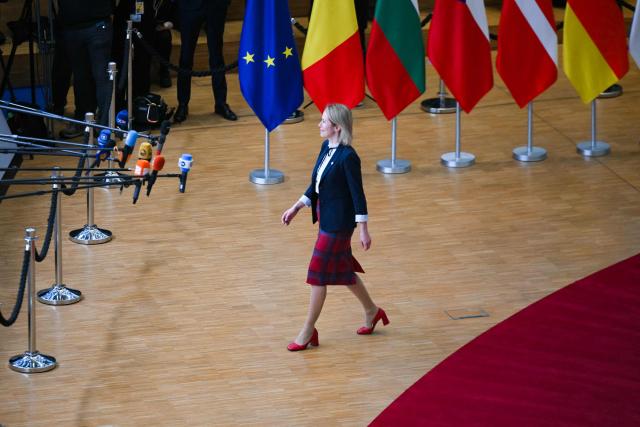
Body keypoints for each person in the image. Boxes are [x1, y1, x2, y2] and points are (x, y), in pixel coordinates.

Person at [281, 103, 389, 352]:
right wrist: (296, 207)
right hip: (326, 219)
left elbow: (357, 195)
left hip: (339, 225)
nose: (319, 124)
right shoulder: (325, 147)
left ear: (337, 127)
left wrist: (363, 229)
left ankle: (308, 330)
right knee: (343, 268)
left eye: (324, 121)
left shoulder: (348, 157)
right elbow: (316, 185)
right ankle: (372, 312)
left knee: (317, 275)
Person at [173, 0, 236, 123]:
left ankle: (221, 103)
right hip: (189, 7)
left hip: (216, 7)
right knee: (186, 57)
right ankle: (183, 104)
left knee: (217, 56)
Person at [57, 0, 113, 129]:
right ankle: (95, 124)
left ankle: (99, 125)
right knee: (86, 78)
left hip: (91, 24)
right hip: (80, 25)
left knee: (97, 78)